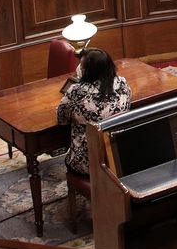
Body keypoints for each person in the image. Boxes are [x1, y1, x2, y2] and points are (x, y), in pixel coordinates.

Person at [56, 48, 132, 177]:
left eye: (82, 66)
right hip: (118, 157)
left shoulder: (76, 91)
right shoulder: (122, 83)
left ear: (87, 71)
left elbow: (62, 119)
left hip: (89, 163)